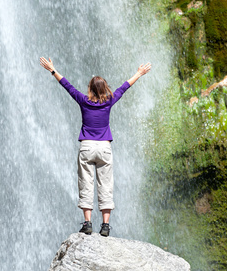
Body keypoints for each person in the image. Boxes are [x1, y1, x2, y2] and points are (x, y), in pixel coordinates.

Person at [39, 57, 151, 237]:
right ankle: (105, 226)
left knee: (86, 183)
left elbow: (67, 85)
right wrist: (139, 73)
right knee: (106, 185)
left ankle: (88, 223)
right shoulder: (109, 100)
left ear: (90, 89)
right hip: (105, 147)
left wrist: (52, 70)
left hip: (87, 147)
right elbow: (125, 86)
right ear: (105, 89)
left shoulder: (83, 100)